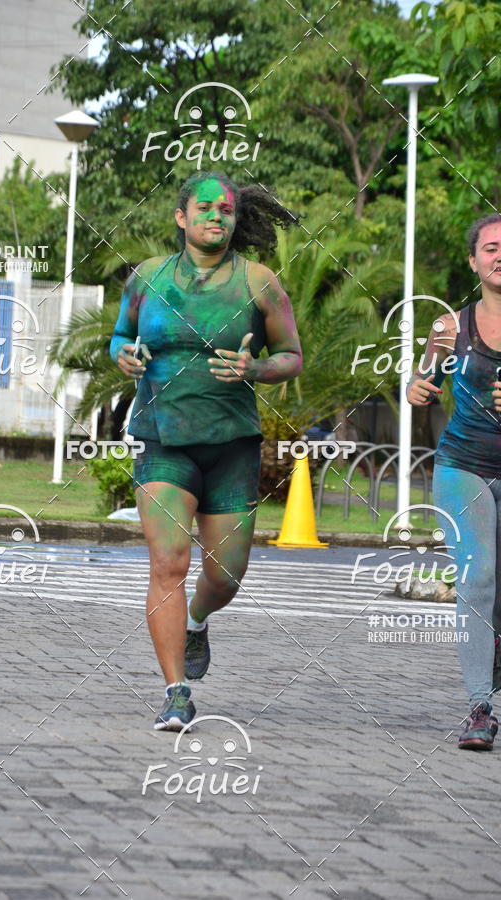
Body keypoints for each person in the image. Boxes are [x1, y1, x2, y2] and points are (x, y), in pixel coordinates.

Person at [109, 171, 302, 730]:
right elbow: (121, 335)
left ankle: (199, 616)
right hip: (163, 441)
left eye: (226, 210)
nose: (217, 216)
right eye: (206, 208)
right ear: (181, 217)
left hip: (232, 447)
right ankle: (175, 691)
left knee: (225, 575)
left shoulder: (259, 282)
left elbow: (291, 354)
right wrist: (123, 353)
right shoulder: (147, 279)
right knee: (168, 563)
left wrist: (256, 367)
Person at [407, 213, 501, 751]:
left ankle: (492, 637)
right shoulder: (450, 327)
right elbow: (423, 379)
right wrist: (417, 390)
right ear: (474, 260)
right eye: (490, 246)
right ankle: (479, 707)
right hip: (462, 464)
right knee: (478, 577)